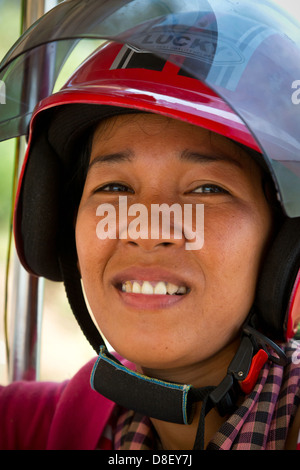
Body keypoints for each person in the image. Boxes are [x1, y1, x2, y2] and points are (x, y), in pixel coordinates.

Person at [1, 1, 300, 451]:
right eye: (115, 187)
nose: (146, 228)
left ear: (285, 245)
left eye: (205, 191)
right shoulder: (30, 430)